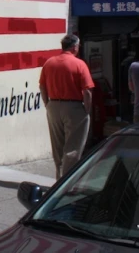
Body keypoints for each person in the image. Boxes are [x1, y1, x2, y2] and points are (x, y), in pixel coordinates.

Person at [39, 34, 94, 180]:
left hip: (53, 106)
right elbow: (87, 91)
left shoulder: (49, 63)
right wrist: (87, 110)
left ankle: (59, 178)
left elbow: (42, 86)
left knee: (57, 146)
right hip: (74, 107)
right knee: (73, 148)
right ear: (75, 47)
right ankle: (67, 182)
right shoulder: (79, 64)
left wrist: (47, 104)